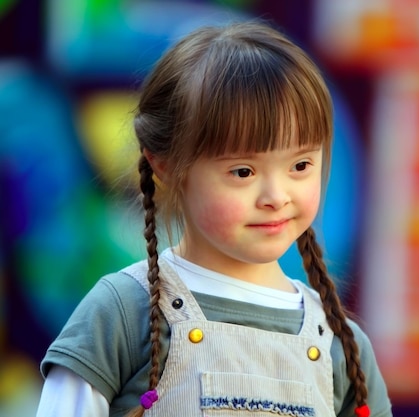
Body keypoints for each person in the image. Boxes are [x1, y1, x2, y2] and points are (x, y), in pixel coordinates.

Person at [35, 20, 392, 417]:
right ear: (168, 167)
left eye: (300, 165)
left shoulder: (342, 345)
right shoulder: (123, 311)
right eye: (243, 172)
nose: (277, 196)